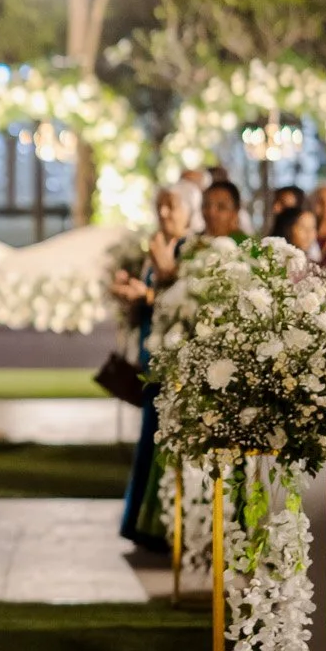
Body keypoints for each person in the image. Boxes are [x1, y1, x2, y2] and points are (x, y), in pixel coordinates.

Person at [114, 182, 200, 551]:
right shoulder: (157, 247)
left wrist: (150, 291)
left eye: (172, 207)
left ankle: (169, 527)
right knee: (150, 437)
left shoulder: (192, 251)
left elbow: (186, 302)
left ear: (189, 212)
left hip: (176, 360)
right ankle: (145, 523)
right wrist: (131, 296)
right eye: (160, 206)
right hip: (153, 354)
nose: (164, 214)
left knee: (168, 439)